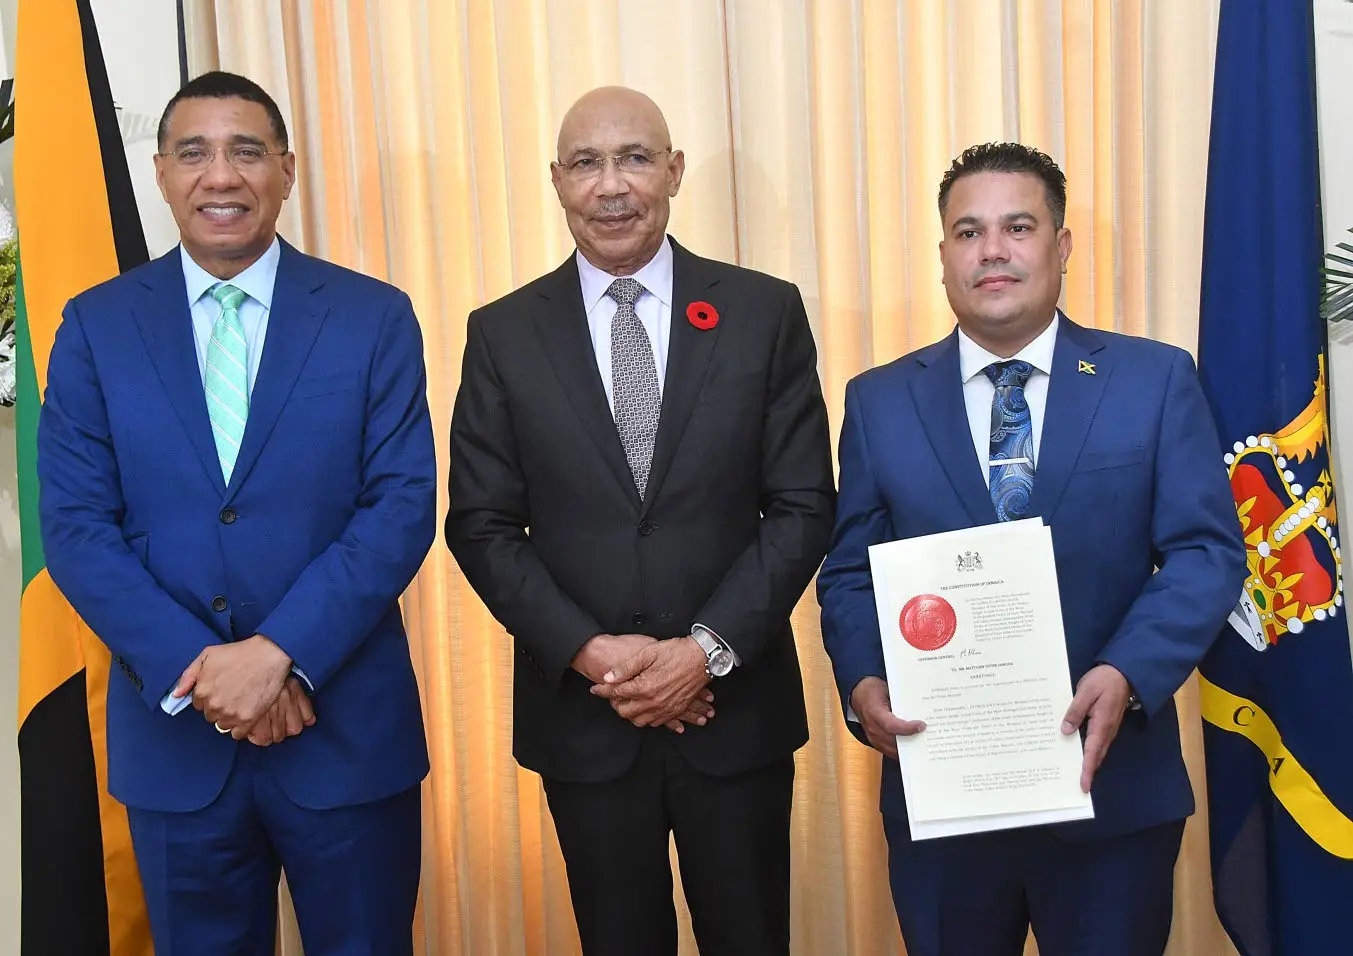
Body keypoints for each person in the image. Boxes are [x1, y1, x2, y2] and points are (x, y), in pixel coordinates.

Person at [38, 71, 436, 955]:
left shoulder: (373, 317)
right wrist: (202, 668)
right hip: (178, 748)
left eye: (246, 151)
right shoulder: (94, 327)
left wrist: (280, 656)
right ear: (161, 173)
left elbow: (400, 506)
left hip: (345, 736)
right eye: (195, 153)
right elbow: (74, 527)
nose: (221, 176)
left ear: (287, 171)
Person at [817, 143, 1247, 956]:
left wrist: (1125, 674)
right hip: (942, 799)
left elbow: (1203, 553)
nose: (992, 251)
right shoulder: (877, 401)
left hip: (1112, 797)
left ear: (1061, 244)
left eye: (1017, 226)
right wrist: (863, 680)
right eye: (968, 231)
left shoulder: (1152, 381)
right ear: (942, 256)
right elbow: (847, 573)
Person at [445, 86, 835, 955]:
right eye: (586, 163)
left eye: (634, 158)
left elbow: (803, 503)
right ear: (556, 181)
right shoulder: (503, 334)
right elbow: (479, 523)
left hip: (732, 716)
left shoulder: (762, 313)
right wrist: (592, 654)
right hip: (588, 722)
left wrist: (702, 652)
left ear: (674, 170)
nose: (611, 185)